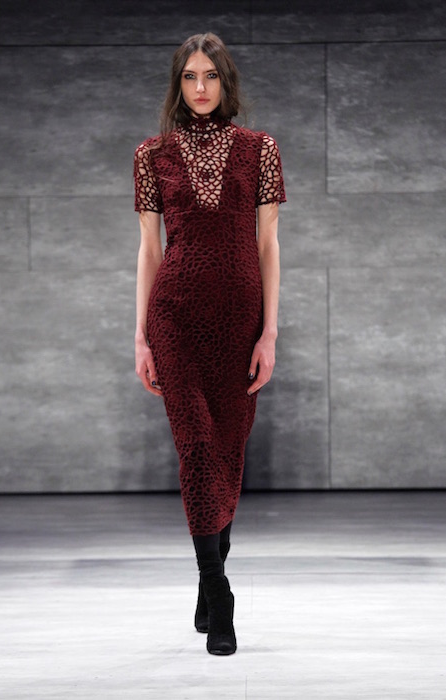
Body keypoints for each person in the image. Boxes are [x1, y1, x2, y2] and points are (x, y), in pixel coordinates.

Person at [134, 32, 286, 656]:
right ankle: (217, 589)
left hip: (240, 320)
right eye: (190, 76)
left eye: (211, 76)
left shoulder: (260, 149)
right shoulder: (152, 155)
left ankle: (209, 574)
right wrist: (141, 334)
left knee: (226, 449)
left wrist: (270, 331)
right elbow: (149, 250)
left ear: (226, 82)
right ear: (178, 84)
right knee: (196, 447)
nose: (200, 88)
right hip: (174, 316)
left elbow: (268, 246)